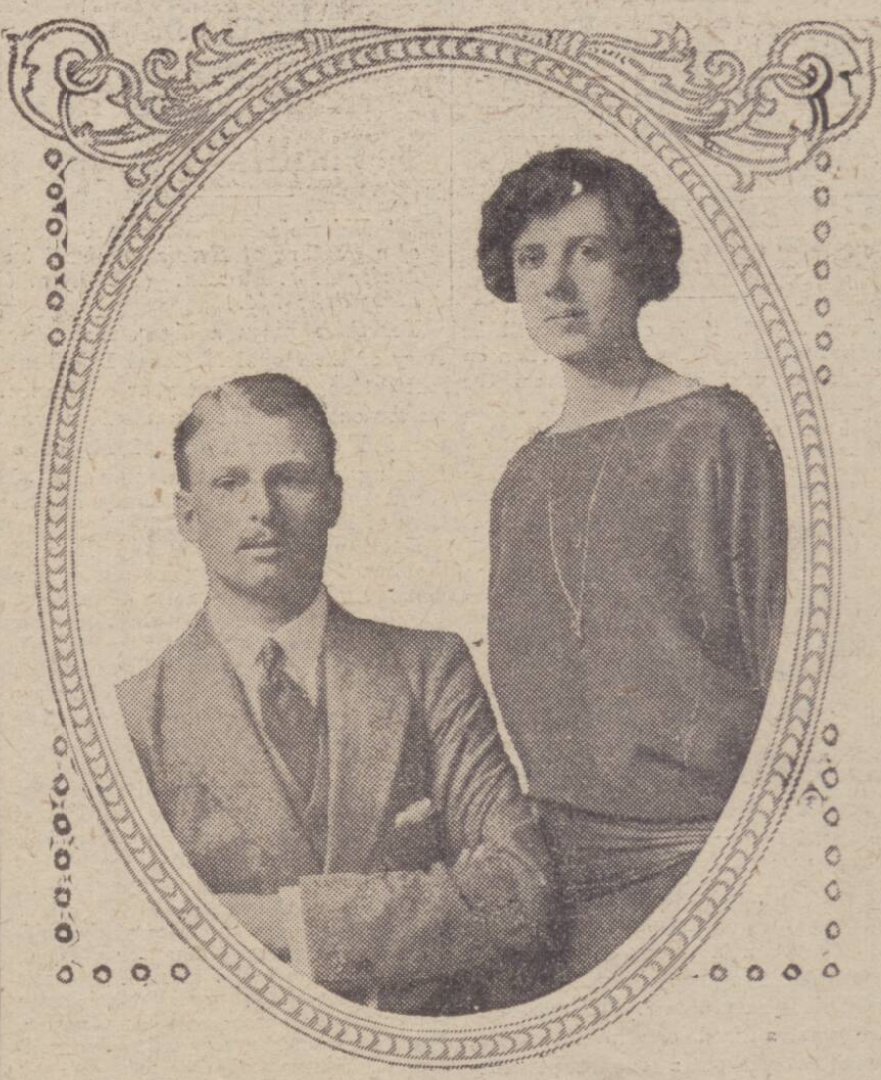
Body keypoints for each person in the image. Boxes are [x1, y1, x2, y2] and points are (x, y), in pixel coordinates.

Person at [116, 373, 552, 1015]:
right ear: (187, 516)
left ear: (333, 499)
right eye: (229, 483)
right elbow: (137, 937)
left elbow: (520, 888)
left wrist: (284, 922)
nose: (262, 509)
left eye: (290, 478)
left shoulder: (429, 671)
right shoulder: (133, 718)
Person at [479, 148, 787, 986]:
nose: (556, 284)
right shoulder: (520, 479)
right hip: (555, 887)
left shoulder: (717, 432)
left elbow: (791, 672)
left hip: (700, 875)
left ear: (640, 265)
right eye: (531, 258)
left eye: (588, 251)